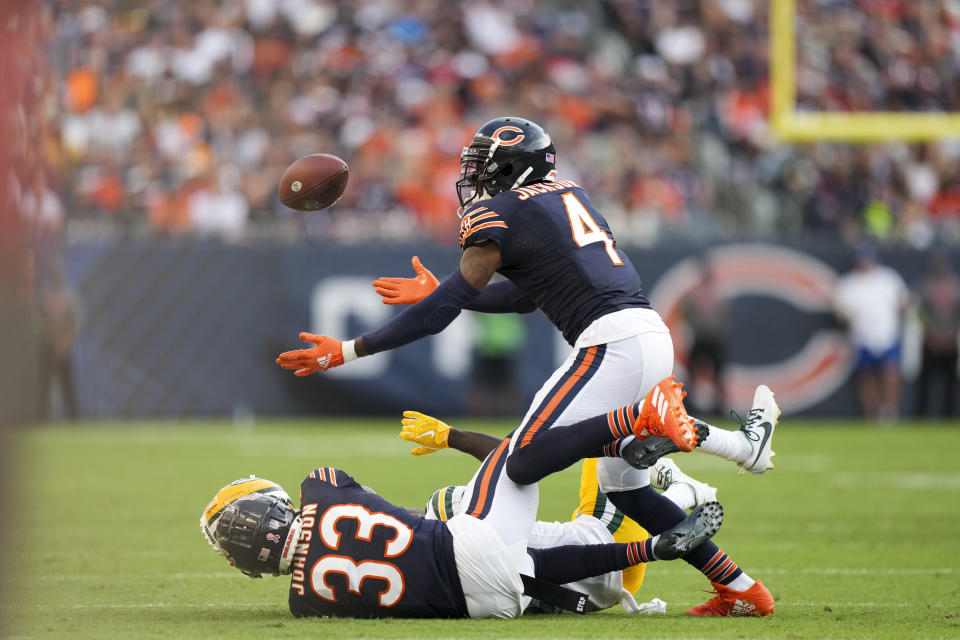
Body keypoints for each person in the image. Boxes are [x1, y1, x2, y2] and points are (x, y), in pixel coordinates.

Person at [277, 117, 778, 615]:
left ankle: (652, 423)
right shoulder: (565, 196)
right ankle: (741, 583)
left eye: (483, 168)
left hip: (611, 344)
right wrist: (446, 291)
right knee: (626, 489)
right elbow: (522, 297)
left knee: (521, 460)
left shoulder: (499, 212)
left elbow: (438, 315)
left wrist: (347, 350)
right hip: (646, 333)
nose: (474, 180)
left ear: (512, 167)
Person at [201, 378, 725, 619]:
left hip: (500, 600)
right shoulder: (319, 486)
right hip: (539, 553)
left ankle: (662, 529)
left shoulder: (303, 603)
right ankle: (666, 470)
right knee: (517, 459)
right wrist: (451, 436)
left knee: (514, 547)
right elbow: (337, 489)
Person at [399, 409, 719, 601]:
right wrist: (453, 436)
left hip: (605, 592)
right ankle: (698, 467)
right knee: (603, 431)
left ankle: (681, 491)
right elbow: (513, 462)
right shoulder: (443, 511)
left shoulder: (438, 582)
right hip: (605, 541)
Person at [834, 244, 909, 422]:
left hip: (886, 333)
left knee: (891, 371)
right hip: (862, 335)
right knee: (866, 375)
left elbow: (903, 302)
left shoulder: (888, 278)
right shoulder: (849, 283)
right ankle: (871, 412)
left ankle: (890, 410)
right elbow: (841, 312)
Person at [914, 253, 960, 418]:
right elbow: (919, 312)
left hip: (951, 340)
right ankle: (921, 417)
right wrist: (930, 333)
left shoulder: (955, 286)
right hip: (930, 340)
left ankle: (949, 416)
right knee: (926, 382)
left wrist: (953, 333)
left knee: (950, 382)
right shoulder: (926, 286)